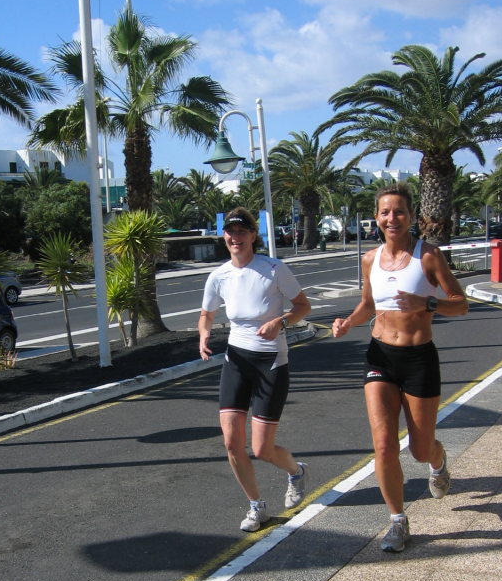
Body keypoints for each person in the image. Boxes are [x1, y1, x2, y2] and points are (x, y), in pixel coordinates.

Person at [333, 183, 468, 552]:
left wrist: (427, 303)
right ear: (376, 217)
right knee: (383, 445)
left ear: (411, 216)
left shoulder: (429, 256)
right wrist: (348, 322)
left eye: (399, 212)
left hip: (419, 359)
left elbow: (461, 303)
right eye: (385, 212)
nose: (392, 218)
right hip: (380, 357)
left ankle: (438, 462)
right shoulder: (369, 259)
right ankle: (397, 521)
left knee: (420, 450)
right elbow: (367, 305)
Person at [199, 207, 312, 531]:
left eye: (241, 231)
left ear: (252, 235)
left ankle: (296, 471)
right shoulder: (218, 276)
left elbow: (304, 306)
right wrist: (204, 332)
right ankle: (256, 506)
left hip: (270, 362)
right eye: (229, 232)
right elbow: (206, 313)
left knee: (261, 448)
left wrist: (281, 321)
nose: (235, 237)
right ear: (225, 236)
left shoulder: (274, 269)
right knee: (231, 442)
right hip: (236, 360)